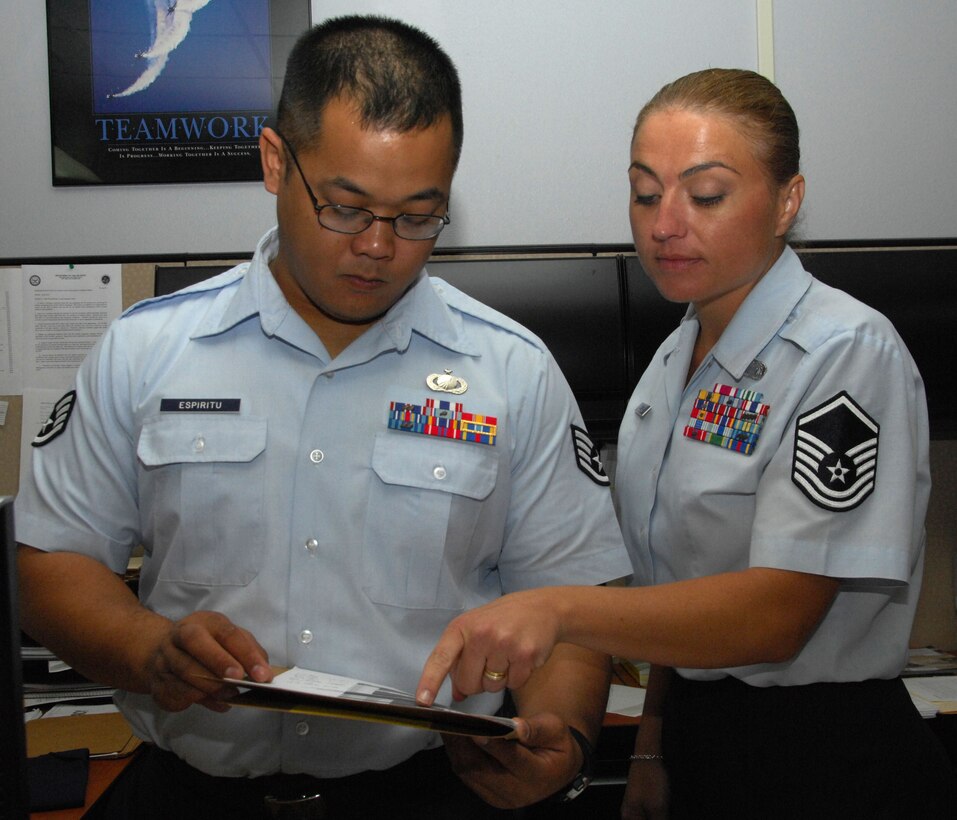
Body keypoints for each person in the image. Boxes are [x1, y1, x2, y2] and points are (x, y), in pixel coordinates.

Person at [15, 16, 631, 819]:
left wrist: (565, 734)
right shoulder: (148, 350)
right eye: (345, 207)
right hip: (198, 795)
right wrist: (146, 649)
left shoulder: (509, 371)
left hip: (424, 793)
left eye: (418, 216)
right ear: (276, 161)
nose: (378, 245)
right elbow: (51, 564)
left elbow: (573, 599)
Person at [417, 68, 956, 818]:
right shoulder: (677, 360)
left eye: (704, 195)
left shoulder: (844, 351)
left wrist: (558, 611)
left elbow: (775, 614)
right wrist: (652, 744)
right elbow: (680, 594)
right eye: (645, 193)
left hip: (825, 756)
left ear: (786, 201)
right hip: (703, 739)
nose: (664, 223)